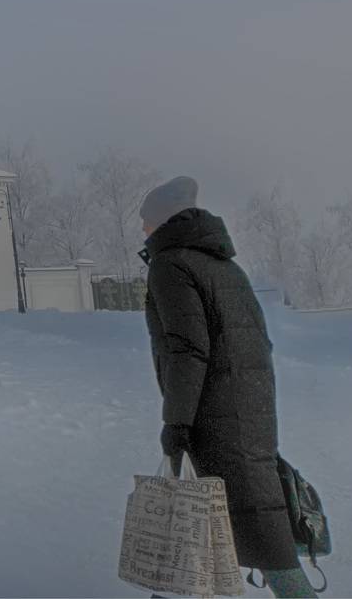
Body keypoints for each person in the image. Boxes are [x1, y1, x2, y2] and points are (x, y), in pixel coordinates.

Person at [140, 176, 316, 598]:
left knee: (200, 529)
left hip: (215, 418)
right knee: (224, 528)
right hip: (249, 413)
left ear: (160, 221)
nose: (143, 232)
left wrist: (177, 422)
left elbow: (187, 350)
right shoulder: (224, 265)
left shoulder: (172, 264)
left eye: (145, 223)